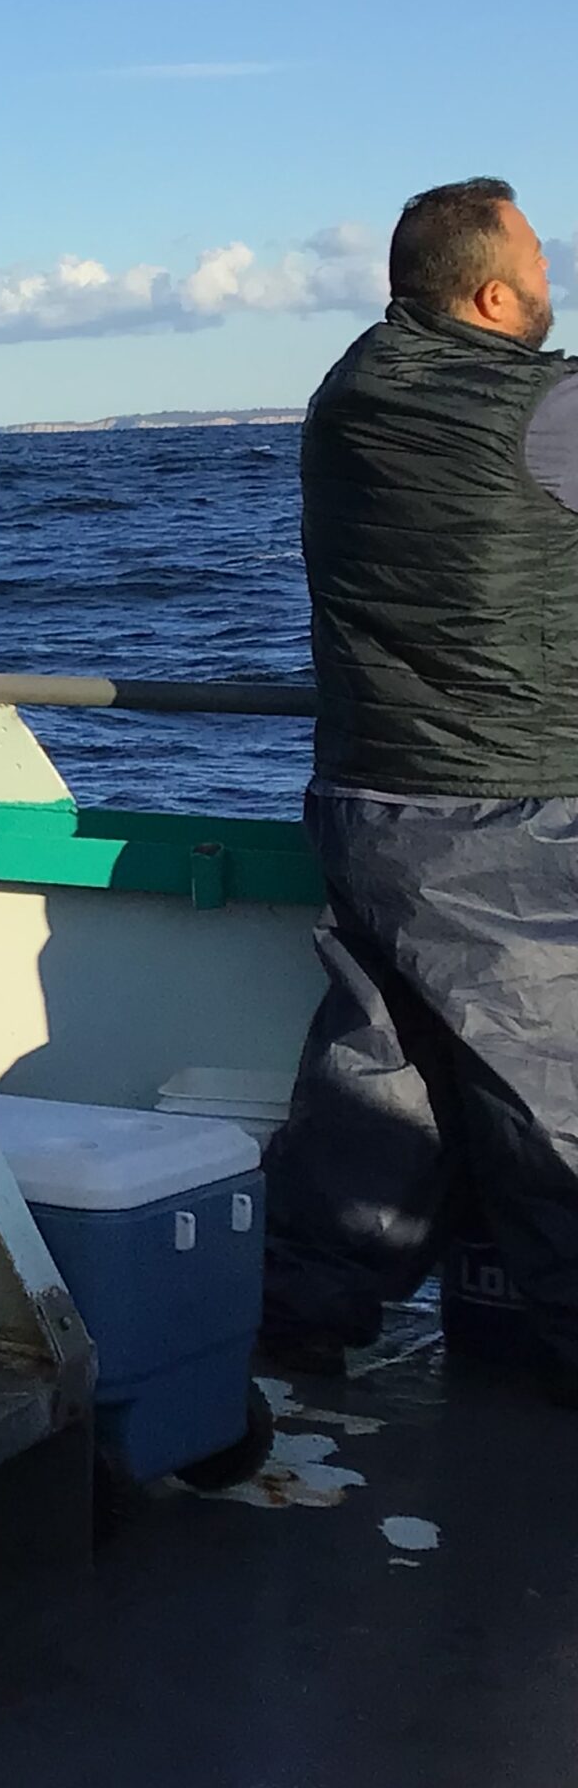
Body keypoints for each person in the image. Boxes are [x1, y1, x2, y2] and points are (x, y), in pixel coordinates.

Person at [262, 177, 578, 1396]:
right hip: (503, 814)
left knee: (376, 1081)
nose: (554, 283)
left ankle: (296, 1316)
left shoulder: (351, 390)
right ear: (495, 292)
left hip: (365, 797)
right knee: (550, 1106)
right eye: (540, 263)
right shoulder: (539, 411)